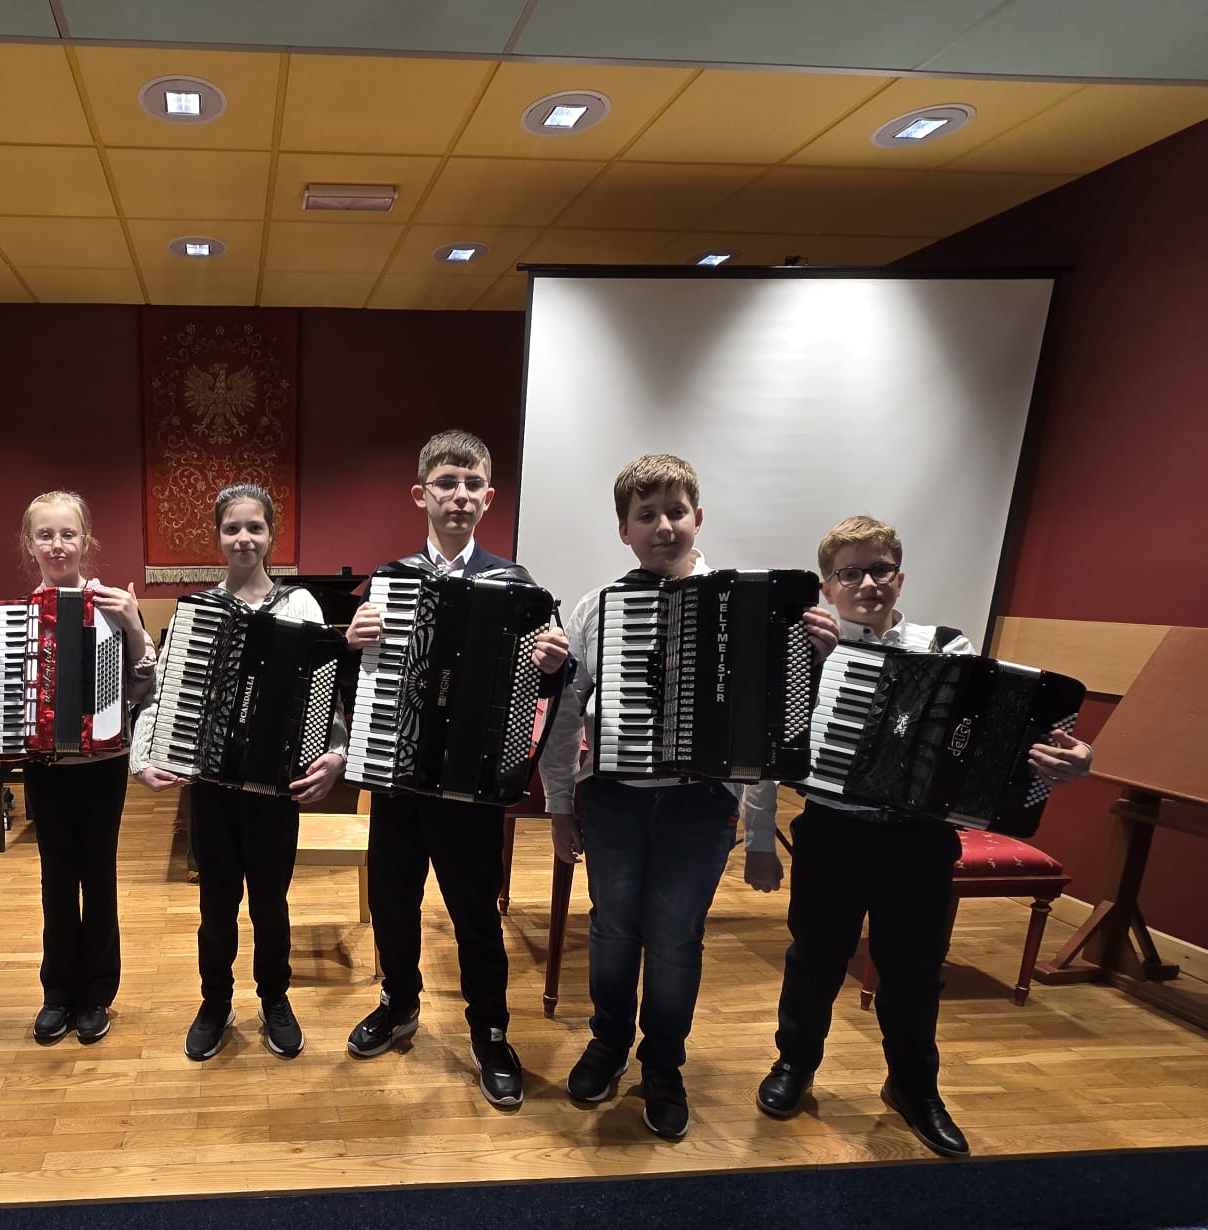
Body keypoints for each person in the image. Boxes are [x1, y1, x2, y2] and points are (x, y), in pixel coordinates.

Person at [749, 515, 1093, 1157]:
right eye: (850, 573)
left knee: (914, 970)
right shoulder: (807, 651)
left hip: (921, 841)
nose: (867, 584)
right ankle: (795, 1064)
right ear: (828, 586)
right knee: (814, 959)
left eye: (880, 570)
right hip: (832, 831)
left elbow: (1003, 742)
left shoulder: (949, 650)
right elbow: (767, 755)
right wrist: (760, 841)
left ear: (900, 578)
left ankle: (913, 1086)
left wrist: (1070, 761)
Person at [539, 454, 788, 1141]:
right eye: (645, 516)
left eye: (675, 512)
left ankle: (664, 1063)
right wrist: (559, 805)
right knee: (612, 928)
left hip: (698, 806)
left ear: (697, 518)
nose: (663, 526)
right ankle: (609, 1042)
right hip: (613, 800)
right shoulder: (596, 606)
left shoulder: (739, 605)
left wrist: (760, 835)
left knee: (676, 937)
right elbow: (565, 715)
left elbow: (760, 728)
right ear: (624, 530)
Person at [343, 430, 571, 1109]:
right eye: (446, 483)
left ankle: (490, 1031)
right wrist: (352, 645)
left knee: (475, 913)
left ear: (489, 498)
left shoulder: (518, 588)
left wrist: (555, 667)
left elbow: (541, 694)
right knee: (393, 901)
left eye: (473, 485)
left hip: (474, 786)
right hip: (399, 776)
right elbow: (360, 683)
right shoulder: (390, 580)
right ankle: (399, 1002)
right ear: (422, 494)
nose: (460, 496)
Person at [132, 484, 348, 1061]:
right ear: (218, 537)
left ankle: (275, 998)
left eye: (255, 527)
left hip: (275, 791)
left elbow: (327, 698)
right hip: (212, 787)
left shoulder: (301, 608)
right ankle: (215, 1001)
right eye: (232, 528)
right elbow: (163, 695)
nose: (244, 538)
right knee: (216, 906)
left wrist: (335, 754)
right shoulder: (197, 612)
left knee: (271, 905)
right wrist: (143, 757)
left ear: (271, 535)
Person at [14, 490, 158, 1046]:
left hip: (103, 765)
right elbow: (12, 701)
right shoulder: (20, 616)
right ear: (30, 544)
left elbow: (143, 690)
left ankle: (97, 992)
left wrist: (134, 628)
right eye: (45, 535)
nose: (57, 545)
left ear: (86, 541)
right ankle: (57, 992)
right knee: (55, 878)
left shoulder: (113, 606)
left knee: (98, 876)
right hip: (46, 765)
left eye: (67, 534)